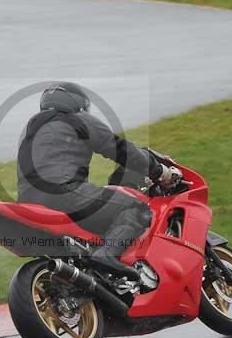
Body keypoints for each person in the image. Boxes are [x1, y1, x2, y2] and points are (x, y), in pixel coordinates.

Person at [17, 82, 178, 280]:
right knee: (136, 209)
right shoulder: (78, 120)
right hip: (64, 195)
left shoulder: (29, 130)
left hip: (27, 202)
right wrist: (157, 169)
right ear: (77, 103)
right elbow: (120, 149)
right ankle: (107, 254)